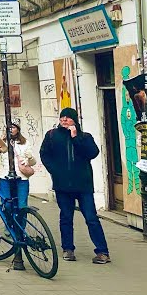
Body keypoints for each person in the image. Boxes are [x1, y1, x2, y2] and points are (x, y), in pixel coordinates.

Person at [40, 107, 110, 264]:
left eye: (68, 117)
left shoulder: (85, 137)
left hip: (83, 185)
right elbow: (44, 154)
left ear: (75, 120)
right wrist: (54, 171)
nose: (64, 120)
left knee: (91, 218)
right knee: (66, 217)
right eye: (62, 117)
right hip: (62, 185)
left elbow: (92, 153)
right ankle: (68, 249)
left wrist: (75, 137)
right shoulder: (52, 135)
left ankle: (102, 251)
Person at [0, 122, 38, 270]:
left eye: (13, 128)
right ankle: (10, 228)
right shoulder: (2, 142)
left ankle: (21, 230)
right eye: (8, 128)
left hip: (21, 178)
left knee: (22, 206)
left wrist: (27, 159)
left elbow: (33, 161)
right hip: (5, 178)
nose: (11, 130)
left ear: (18, 130)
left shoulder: (24, 142)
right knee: (7, 204)